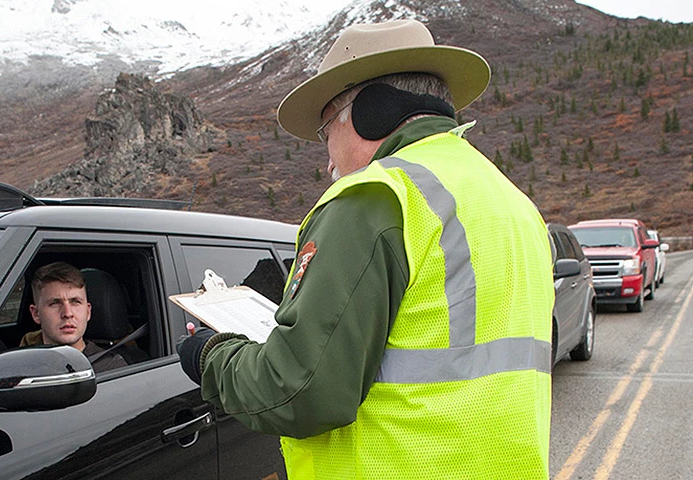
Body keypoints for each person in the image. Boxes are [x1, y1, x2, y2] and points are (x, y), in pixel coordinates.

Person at [177, 20, 554, 479]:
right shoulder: (511, 202)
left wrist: (211, 356)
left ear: (368, 111)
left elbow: (299, 390)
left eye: (325, 133)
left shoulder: (375, 198)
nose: (329, 160)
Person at [21, 262, 127, 373]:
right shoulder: (22, 367)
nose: (67, 313)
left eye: (75, 302)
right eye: (55, 303)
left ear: (88, 311)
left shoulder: (111, 368)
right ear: (36, 314)